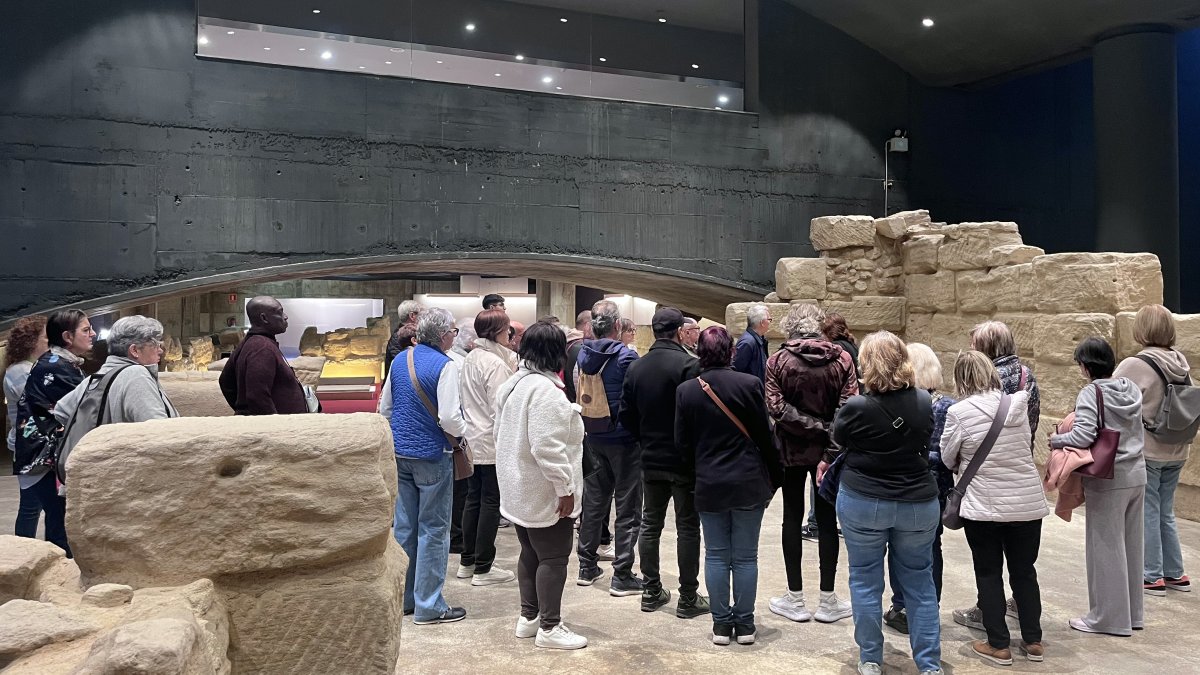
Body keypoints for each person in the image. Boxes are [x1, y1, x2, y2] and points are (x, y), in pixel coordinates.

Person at [831, 331, 942, 675]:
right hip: (917, 501)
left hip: (864, 498)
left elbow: (838, 438)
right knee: (919, 583)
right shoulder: (924, 400)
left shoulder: (856, 406)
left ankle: (870, 659)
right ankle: (929, 664)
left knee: (865, 580)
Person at [940, 351, 1047, 666]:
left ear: (961, 378)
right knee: (1025, 573)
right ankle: (1033, 641)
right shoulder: (1017, 404)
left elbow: (948, 457)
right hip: (1027, 505)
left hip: (984, 507)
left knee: (988, 573)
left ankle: (998, 644)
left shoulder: (959, 412)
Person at [676, 327, 777, 646]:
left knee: (717, 556)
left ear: (701, 352)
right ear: (731, 351)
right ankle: (745, 625)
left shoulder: (687, 390)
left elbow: (682, 444)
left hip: (710, 483)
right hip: (748, 481)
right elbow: (765, 437)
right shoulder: (750, 384)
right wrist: (775, 479)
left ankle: (721, 626)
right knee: (746, 557)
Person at [494, 321, 588, 650]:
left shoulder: (516, 385)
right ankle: (550, 626)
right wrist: (565, 488)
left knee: (531, 553)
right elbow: (546, 447)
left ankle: (529, 616)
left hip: (519, 486)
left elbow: (502, 436)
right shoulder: (545, 392)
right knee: (554, 557)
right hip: (541, 489)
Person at [765, 303, 857, 625]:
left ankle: (795, 598)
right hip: (828, 455)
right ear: (818, 325)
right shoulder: (843, 359)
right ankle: (828, 600)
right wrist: (829, 444)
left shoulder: (777, 360)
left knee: (791, 517)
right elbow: (848, 411)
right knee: (828, 521)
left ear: (790, 325)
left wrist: (809, 425)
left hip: (791, 451)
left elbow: (776, 408)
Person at [1050, 337, 1146, 637]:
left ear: (1084, 366)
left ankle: (1107, 619)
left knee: (1105, 547)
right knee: (1131, 547)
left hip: (1109, 477)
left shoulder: (1091, 392)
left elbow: (1083, 435)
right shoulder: (1129, 387)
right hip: (1137, 473)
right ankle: (1132, 615)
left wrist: (1057, 440)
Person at [379, 308, 467, 624]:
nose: (454, 337)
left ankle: (404, 599)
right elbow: (449, 418)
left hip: (400, 452)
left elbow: (385, 407)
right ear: (444, 336)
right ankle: (429, 604)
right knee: (434, 529)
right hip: (432, 454)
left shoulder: (402, 359)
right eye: (454, 332)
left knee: (404, 527)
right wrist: (463, 434)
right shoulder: (446, 366)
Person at [618, 307, 707, 618]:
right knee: (687, 528)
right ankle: (687, 597)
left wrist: (644, 439)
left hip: (650, 457)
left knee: (650, 525)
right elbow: (696, 414)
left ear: (655, 331)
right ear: (679, 332)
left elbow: (625, 416)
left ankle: (651, 591)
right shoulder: (689, 365)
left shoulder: (636, 367)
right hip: (683, 460)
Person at [954, 319, 1040, 629]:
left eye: (976, 344)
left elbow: (964, 435)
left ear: (987, 348)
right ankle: (1028, 624)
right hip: (1020, 472)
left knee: (988, 564)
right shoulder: (1026, 376)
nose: (972, 349)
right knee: (1022, 565)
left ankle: (988, 618)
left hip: (985, 477)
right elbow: (1031, 423)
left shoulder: (984, 378)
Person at [1113, 305, 1192, 595]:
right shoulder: (1181, 363)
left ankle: (1151, 575)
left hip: (1147, 450)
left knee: (1147, 510)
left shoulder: (1134, 365)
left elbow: (1110, 398)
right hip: (1177, 449)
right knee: (1166, 512)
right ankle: (1175, 573)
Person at [885, 343, 955, 635]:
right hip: (935, 487)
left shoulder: (909, 403)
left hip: (908, 484)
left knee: (899, 544)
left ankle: (903, 605)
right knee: (929, 547)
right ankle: (927, 607)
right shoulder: (947, 404)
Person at [575, 299, 643, 596]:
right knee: (627, 506)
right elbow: (636, 399)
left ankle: (586, 566)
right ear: (617, 326)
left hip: (593, 435)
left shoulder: (582, 355)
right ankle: (623, 574)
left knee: (594, 502)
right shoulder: (627, 358)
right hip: (624, 439)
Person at [15, 309, 95, 556]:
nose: (93, 334)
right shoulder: (56, 367)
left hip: (42, 456)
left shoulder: (61, 362)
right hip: (43, 458)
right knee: (60, 521)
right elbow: (89, 404)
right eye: (86, 329)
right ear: (67, 337)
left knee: (55, 518)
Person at [456, 310, 518, 587]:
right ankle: (483, 567)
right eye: (507, 331)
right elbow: (501, 407)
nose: (510, 336)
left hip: (472, 439)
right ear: (496, 332)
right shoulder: (494, 363)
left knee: (474, 500)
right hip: (490, 441)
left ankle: (468, 562)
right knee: (490, 503)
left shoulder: (471, 358)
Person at [55, 316, 179, 426]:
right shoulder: (136, 375)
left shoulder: (100, 375)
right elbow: (160, 432)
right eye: (155, 345)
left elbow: (61, 411)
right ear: (134, 350)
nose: (160, 350)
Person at [219, 297, 307, 415]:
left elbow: (225, 381)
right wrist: (272, 423)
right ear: (264, 318)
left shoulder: (251, 341)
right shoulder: (261, 347)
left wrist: (241, 408)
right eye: (279, 312)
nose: (285, 316)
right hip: (276, 429)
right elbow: (257, 396)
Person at [5, 315, 48, 539]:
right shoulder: (20, 371)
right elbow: (43, 402)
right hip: (30, 446)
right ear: (32, 342)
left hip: (33, 444)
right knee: (32, 506)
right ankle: (25, 551)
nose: (48, 342)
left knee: (35, 506)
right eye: (45, 338)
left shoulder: (30, 367)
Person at [733, 304, 771, 384]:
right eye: (769, 319)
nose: (770, 322)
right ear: (762, 323)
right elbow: (736, 371)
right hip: (750, 393)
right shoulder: (747, 343)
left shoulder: (757, 339)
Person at [385, 300, 424, 376]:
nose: (425, 318)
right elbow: (404, 367)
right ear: (412, 316)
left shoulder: (402, 335)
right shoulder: (399, 337)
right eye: (423, 314)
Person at [563, 310, 592, 404]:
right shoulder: (582, 348)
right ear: (588, 325)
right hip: (579, 404)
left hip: (566, 401)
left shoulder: (565, 342)